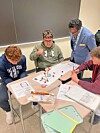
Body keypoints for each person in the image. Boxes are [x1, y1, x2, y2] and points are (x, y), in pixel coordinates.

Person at [71, 46, 100, 124]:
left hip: (97, 87)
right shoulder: (96, 62)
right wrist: (79, 69)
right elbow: (86, 64)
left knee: (80, 84)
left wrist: (77, 80)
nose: (91, 59)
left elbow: (96, 88)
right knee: (76, 86)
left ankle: (97, 114)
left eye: (92, 58)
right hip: (95, 81)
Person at [0, 46, 27, 124]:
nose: (16, 63)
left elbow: (23, 70)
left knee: (32, 88)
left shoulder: (23, 58)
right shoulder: (1, 63)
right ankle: (8, 111)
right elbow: (4, 77)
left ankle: (34, 104)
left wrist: (22, 78)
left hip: (19, 78)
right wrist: (13, 85)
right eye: (14, 61)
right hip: (7, 81)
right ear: (7, 57)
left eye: (18, 60)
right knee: (1, 99)